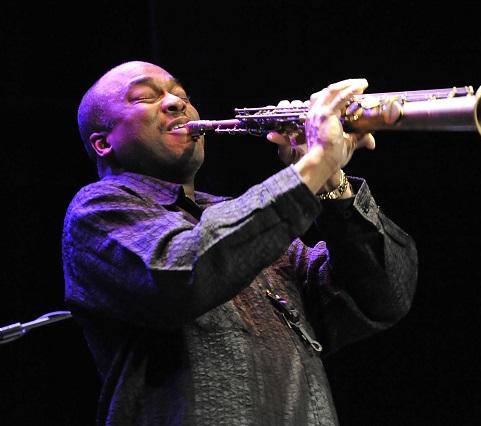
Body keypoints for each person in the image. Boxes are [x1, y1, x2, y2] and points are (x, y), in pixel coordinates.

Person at [62, 60, 418, 426]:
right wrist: (312, 166)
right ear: (103, 143)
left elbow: (383, 298)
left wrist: (331, 185)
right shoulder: (98, 209)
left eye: (182, 95)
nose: (175, 103)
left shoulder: (245, 219)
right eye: (145, 97)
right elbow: (182, 273)